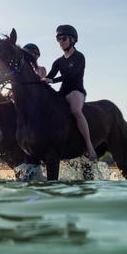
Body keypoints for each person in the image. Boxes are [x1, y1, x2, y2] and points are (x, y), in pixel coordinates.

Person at [41, 25, 97, 162]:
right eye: (58, 39)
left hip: (76, 90)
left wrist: (52, 80)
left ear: (72, 39)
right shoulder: (58, 62)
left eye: (63, 38)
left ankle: (89, 146)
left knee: (76, 111)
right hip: (63, 92)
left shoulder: (79, 57)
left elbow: (71, 75)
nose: (61, 41)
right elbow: (49, 77)